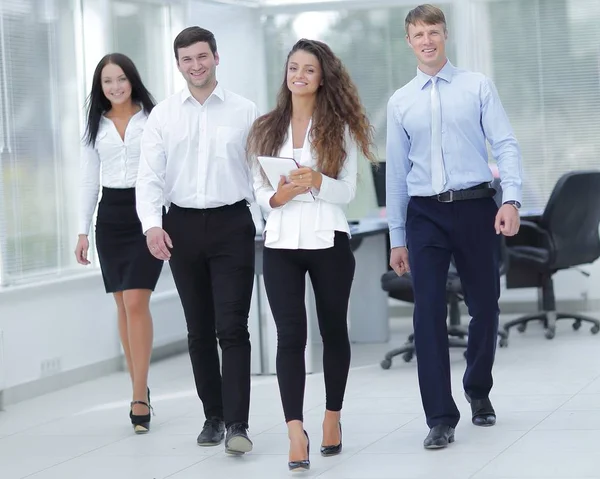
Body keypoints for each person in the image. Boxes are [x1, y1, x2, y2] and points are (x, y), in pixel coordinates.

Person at [386, 4, 523, 449]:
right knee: (426, 312)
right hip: (425, 214)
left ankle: (477, 388)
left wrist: (513, 200)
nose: (427, 41)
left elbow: (504, 144)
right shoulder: (400, 101)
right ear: (408, 41)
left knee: (486, 305)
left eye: (434, 32)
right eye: (418, 34)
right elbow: (395, 175)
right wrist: (397, 238)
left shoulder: (476, 86)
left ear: (445, 36)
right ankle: (440, 417)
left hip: (475, 207)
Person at [247, 39, 377, 471]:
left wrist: (317, 180)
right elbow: (259, 192)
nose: (298, 75)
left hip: (329, 242)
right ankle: (294, 434)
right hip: (281, 244)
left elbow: (348, 190)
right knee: (290, 339)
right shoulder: (266, 126)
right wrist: (280, 195)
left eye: (308, 69)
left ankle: (332, 420)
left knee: (333, 331)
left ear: (323, 78)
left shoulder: (339, 127)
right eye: (293, 67)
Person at [135, 27, 259, 455]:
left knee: (233, 326)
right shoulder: (163, 115)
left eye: (202, 56)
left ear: (216, 57)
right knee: (199, 329)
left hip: (232, 225)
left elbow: (258, 174)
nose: (196, 65)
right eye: (187, 59)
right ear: (178, 64)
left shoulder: (245, 111)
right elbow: (148, 176)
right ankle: (214, 415)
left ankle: (238, 423)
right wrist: (153, 224)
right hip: (181, 227)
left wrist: (270, 221)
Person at [75, 53, 162, 434]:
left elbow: (167, 168)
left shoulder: (154, 117)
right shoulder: (95, 124)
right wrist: (82, 230)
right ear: (101, 87)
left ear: (132, 80)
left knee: (135, 301)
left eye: (121, 79)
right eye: (107, 81)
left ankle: (139, 395)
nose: (115, 87)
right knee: (122, 307)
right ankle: (137, 387)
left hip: (146, 214)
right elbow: (88, 180)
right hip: (109, 218)